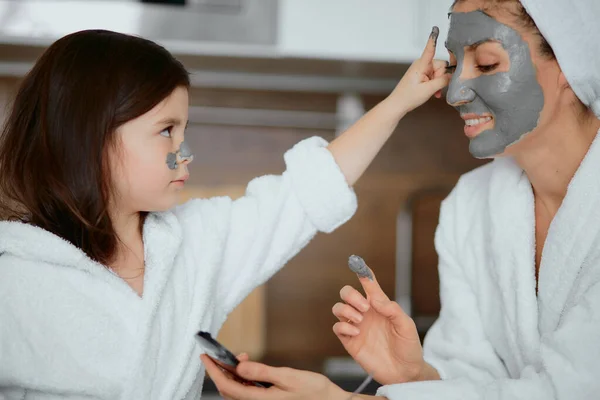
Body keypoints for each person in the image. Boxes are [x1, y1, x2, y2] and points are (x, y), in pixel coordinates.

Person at [0, 26, 449, 399]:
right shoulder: (15, 277)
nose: (185, 152)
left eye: (184, 130)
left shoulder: (196, 245)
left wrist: (398, 103)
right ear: (91, 137)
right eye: (167, 131)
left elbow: (304, 193)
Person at [203, 0, 600, 399]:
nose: (456, 92)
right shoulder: (471, 208)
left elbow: (574, 389)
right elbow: (474, 382)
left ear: (568, 63)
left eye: (485, 63)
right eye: (454, 65)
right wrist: (415, 375)